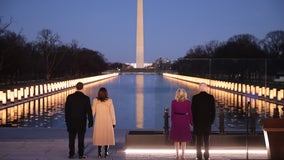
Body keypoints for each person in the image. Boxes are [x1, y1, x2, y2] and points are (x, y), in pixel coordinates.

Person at [65, 82, 93, 159]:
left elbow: (66, 111)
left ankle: (71, 154)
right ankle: (81, 154)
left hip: (71, 121)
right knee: (81, 139)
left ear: (76, 87)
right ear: (82, 88)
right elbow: (89, 111)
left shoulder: (70, 97)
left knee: (71, 139)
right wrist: (90, 121)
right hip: (81, 122)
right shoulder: (86, 98)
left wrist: (67, 121)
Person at [191, 83, 216, 160]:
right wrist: (211, 121)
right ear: (206, 89)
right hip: (207, 122)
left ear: (199, 88)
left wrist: (193, 122)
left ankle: (199, 155)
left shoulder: (195, 98)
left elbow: (192, 111)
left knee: (198, 140)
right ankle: (207, 154)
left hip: (198, 122)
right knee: (206, 140)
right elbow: (213, 111)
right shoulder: (211, 97)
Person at [92, 87, 116, 158]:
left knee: (99, 137)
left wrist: (89, 120)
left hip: (99, 121)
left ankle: (99, 153)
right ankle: (106, 152)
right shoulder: (109, 101)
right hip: (107, 121)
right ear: (106, 93)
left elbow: (92, 112)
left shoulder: (95, 100)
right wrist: (114, 122)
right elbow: (112, 112)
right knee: (106, 137)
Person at [170, 88, 193, 160]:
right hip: (184, 120)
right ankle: (183, 155)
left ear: (177, 94)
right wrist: (191, 122)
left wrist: (172, 121)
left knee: (176, 140)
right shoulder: (188, 102)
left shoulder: (173, 102)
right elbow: (190, 113)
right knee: (184, 140)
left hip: (176, 120)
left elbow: (172, 113)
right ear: (184, 94)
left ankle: (177, 155)